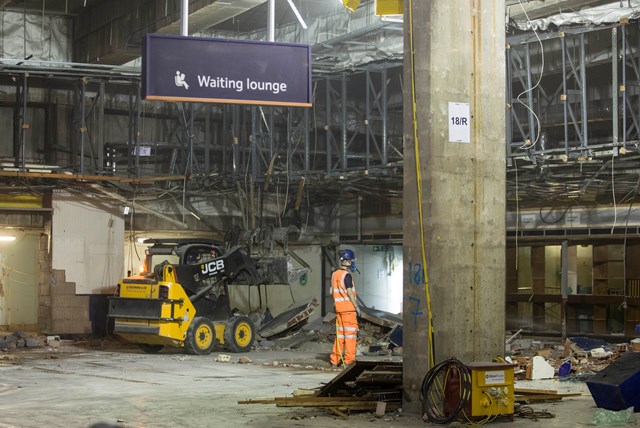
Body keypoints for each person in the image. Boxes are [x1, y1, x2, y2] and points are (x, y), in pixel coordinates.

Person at [329, 249, 361, 368]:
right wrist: (356, 306)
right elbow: (349, 292)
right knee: (350, 336)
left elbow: (331, 291)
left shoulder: (334, 274)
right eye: (352, 261)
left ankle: (334, 361)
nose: (352, 263)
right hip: (348, 310)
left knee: (340, 336)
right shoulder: (346, 276)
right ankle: (348, 362)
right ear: (347, 261)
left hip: (339, 310)